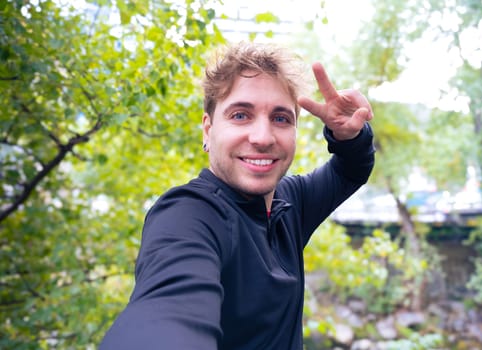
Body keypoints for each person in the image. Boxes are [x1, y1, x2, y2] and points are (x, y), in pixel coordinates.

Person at [100, 41, 375, 349]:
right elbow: (166, 315)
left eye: (281, 118)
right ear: (208, 130)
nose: (262, 138)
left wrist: (350, 136)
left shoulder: (289, 203)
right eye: (241, 115)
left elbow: (349, 171)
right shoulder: (188, 215)